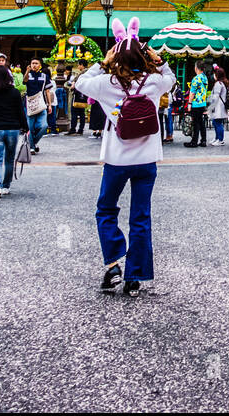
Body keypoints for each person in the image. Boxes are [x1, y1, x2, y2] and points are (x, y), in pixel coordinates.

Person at [73, 16, 176, 297]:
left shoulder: (106, 83)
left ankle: (113, 264)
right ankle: (135, 276)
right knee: (140, 216)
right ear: (143, 57)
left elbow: (81, 82)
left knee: (106, 210)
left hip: (117, 160)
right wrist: (157, 58)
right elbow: (172, 79)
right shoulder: (154, 82)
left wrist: (104, 61)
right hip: (147, 160)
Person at [0, 64, 27, 198]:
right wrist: (25, 127)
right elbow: (20, 111)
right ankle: (6, 185)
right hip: (13, 128)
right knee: (9, 159)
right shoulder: (14, 92)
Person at [22, 59, 51, 154]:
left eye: (36, 63)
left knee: (44, 126)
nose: (34, 65)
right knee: (30, 127)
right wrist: (27, 71)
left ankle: (32, 143)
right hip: (29, 104)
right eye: (32, 63)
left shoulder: (44, 76)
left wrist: (49, 105)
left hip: (41, 104)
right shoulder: (28, 75)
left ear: (40, 65)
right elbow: (24, 81)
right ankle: (32, 147)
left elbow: (47, 91)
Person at [183, 60, 210, 148]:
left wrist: (189, 103)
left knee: (196, 123)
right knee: (201, 122)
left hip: (196, 103)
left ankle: (194, 142)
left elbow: (192, 93)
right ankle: (203, 140)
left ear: (196, 68)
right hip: (202, 103)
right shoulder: (205, 77)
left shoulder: (196, 78)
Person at [207, 68, 229, 147]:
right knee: (216, 123)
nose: (213, 75)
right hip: (219, 106)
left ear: (217, 75)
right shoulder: (222, 83)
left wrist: (210, 106)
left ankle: (220, 140)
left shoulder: (218, 84)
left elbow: (215, 97)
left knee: (218, 123)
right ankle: (217, 138)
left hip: (218, 106)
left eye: (214, 74)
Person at [68, 61, 89, 136]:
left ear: (82, 65)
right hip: (83, 95)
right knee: (82, 113)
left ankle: (73, 129)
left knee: (74, 112)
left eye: (78, 65)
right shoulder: (88, 72)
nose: (78, 67)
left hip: (78, 95)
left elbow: (77, 83)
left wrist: (73, 84)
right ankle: (80, 130)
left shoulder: (83, 73)